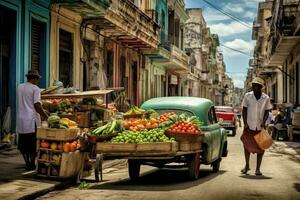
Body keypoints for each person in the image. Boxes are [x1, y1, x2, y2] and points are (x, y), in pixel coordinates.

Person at [17, 70, 48, 170]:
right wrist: (44, 115)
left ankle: (27, 163)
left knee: (23, 143)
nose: (38, 81)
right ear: (34, 79)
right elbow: (37, 104)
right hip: (31, 120)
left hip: (21, 119)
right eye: (37, 79)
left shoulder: (20, 87)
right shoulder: (35, 89)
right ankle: (31, 163)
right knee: (33, 143)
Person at [240, 77, 272, 176]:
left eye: (257, 86)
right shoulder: (247, 96)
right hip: (249, 126)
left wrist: (264, 121)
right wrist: (245, 122)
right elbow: (244, 109)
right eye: (253, 86)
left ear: (261, 87)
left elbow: (267, 111)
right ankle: (247, 165)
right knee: (246, 146)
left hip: (260, 126)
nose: (255, 88)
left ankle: (258, 169)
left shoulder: (265, 98)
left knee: (261, 148)